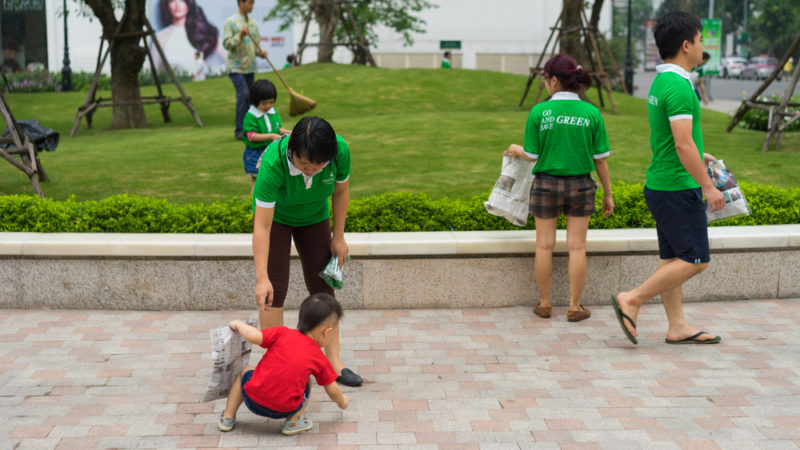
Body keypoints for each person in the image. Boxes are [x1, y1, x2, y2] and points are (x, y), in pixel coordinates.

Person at [612, 11, 726, 346]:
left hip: (662, 184)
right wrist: (707, 185)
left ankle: (677, 326)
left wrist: (700, 154)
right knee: (695, 260)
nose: (703, 45)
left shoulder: (661, 81)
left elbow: (673, 138)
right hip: (678, 187)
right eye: (701, 39)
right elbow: (681, 141)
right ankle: (631, 299)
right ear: (687, 44)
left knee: (671, 259)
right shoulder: (677, 86)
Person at [252, 115, 363, 387]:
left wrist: (338, 237)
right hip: (277, 219)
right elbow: (262, 226)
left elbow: (340, 192)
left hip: (314, 217)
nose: (311, 170)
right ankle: (277, 366)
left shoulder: (339, 151)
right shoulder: (273, 163)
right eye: (304, 164)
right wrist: (261, 277)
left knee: (323, 288)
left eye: (318, 165)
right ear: (292, 152)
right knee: (273, 290)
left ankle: (334, 363)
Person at [504, 53, 614, 323]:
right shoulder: (592, 113)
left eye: (545, 79)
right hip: (581, 185)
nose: (545, 83)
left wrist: (516, 149)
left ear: (553, 80)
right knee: (577, 247)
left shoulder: (539, 112)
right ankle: (575, 307)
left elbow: (531, 154)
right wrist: (608, 194)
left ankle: (544, 303)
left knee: (544, 246)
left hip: (545, 185)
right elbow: (600, 160)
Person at [218, 293, 349, 435]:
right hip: (286, 408)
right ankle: (293, 422)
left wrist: (238, 324)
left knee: (246, 370)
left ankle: (228, 417)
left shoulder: (282, 333)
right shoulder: (319, 358)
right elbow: (333, 390)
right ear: (326, 332)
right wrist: (343, 402)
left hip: (253, 400)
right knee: (307, 382)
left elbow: (255, 336)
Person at [223, 0, 268, 141]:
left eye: (253, 3)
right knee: (243, 94)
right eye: (249, 2)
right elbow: (227, 44)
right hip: (235, 67)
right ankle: (240, 130)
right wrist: (240, 35)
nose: (252, 6)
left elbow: (254, 47)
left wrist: (261, 53)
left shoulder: (253, 24)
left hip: (250, 67)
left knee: (251, 98)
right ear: (241, 3)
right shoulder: (231, 22)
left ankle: (250, 129)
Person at [242, 79, 292, 193]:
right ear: (255, 101)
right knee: (258, 180)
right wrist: (271, 136)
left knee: (274, 178)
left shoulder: (272, 113)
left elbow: (278, 129)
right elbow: (252, 136)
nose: (268, 106)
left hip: (271, 150)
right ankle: (253, 205)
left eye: (271, 102)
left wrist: (289, 132)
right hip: (255, 153)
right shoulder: (251, 116)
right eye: (264, 103)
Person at [151, 0, 226, 75]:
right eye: (172, 1)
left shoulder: (204, 32)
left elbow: (231, 60)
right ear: (167, 5)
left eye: (182, 0)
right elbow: (151, 71)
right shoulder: (161, 37)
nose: (177, 5)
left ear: (189, 3)